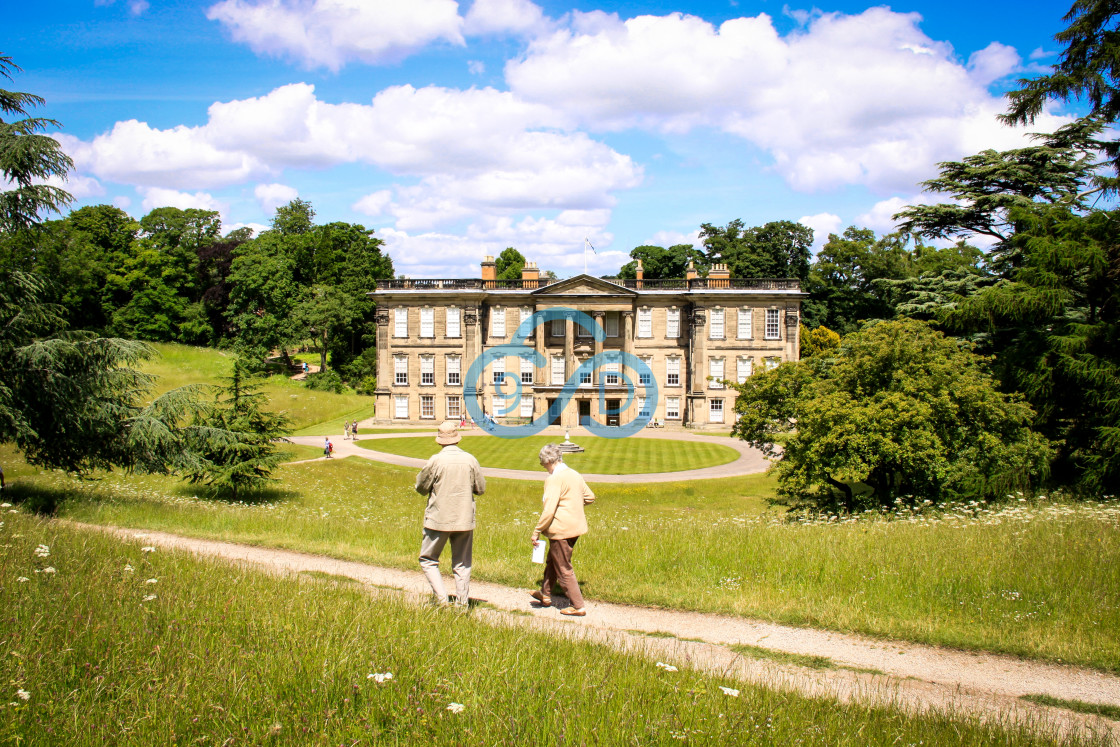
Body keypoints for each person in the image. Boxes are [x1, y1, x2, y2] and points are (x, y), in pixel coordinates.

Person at [415, 421, 486, 606]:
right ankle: (462, 604)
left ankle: (441, 599)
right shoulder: (470, 459)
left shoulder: (435, 460)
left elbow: (421, 488)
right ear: (457, 439)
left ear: (440, 441)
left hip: (438, 519)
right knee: (462, 563)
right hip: (464, 519)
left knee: (428, 559)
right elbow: (481, 488)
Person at [530, 443, 595, 616]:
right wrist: (572, 505)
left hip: (561, 529)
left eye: (542, 463)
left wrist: (536, 530)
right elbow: (589, 497)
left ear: (548, 461)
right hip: (575, 526)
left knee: (564, 567)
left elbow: (549, 510)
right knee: (553, 560)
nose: (542, 466)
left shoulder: (553, 479)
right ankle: (545, 594)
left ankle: (578, 606)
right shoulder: (574, 474)